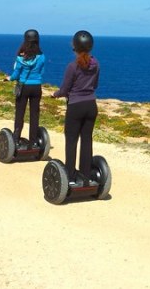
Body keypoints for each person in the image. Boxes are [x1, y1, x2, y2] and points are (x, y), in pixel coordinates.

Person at [52, 30, 100, 186]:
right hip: (91, 105)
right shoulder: (96, 64)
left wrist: (56, 94)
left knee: (71, 141)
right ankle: (85, 176)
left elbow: (65, 90)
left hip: (76, 106)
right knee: (87, 140)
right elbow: (95, 85)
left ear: (75, 47)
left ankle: (71, 178)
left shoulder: (72, 67)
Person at [7, 29, 46, 149]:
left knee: (20, 113)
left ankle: (16, 139)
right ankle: (33, 142)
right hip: (36, 87)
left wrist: (10, 78)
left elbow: (16, 74)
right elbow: (41, 71)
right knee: (34, 114)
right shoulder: (42, 57)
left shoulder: (21, 58)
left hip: (24, 87)